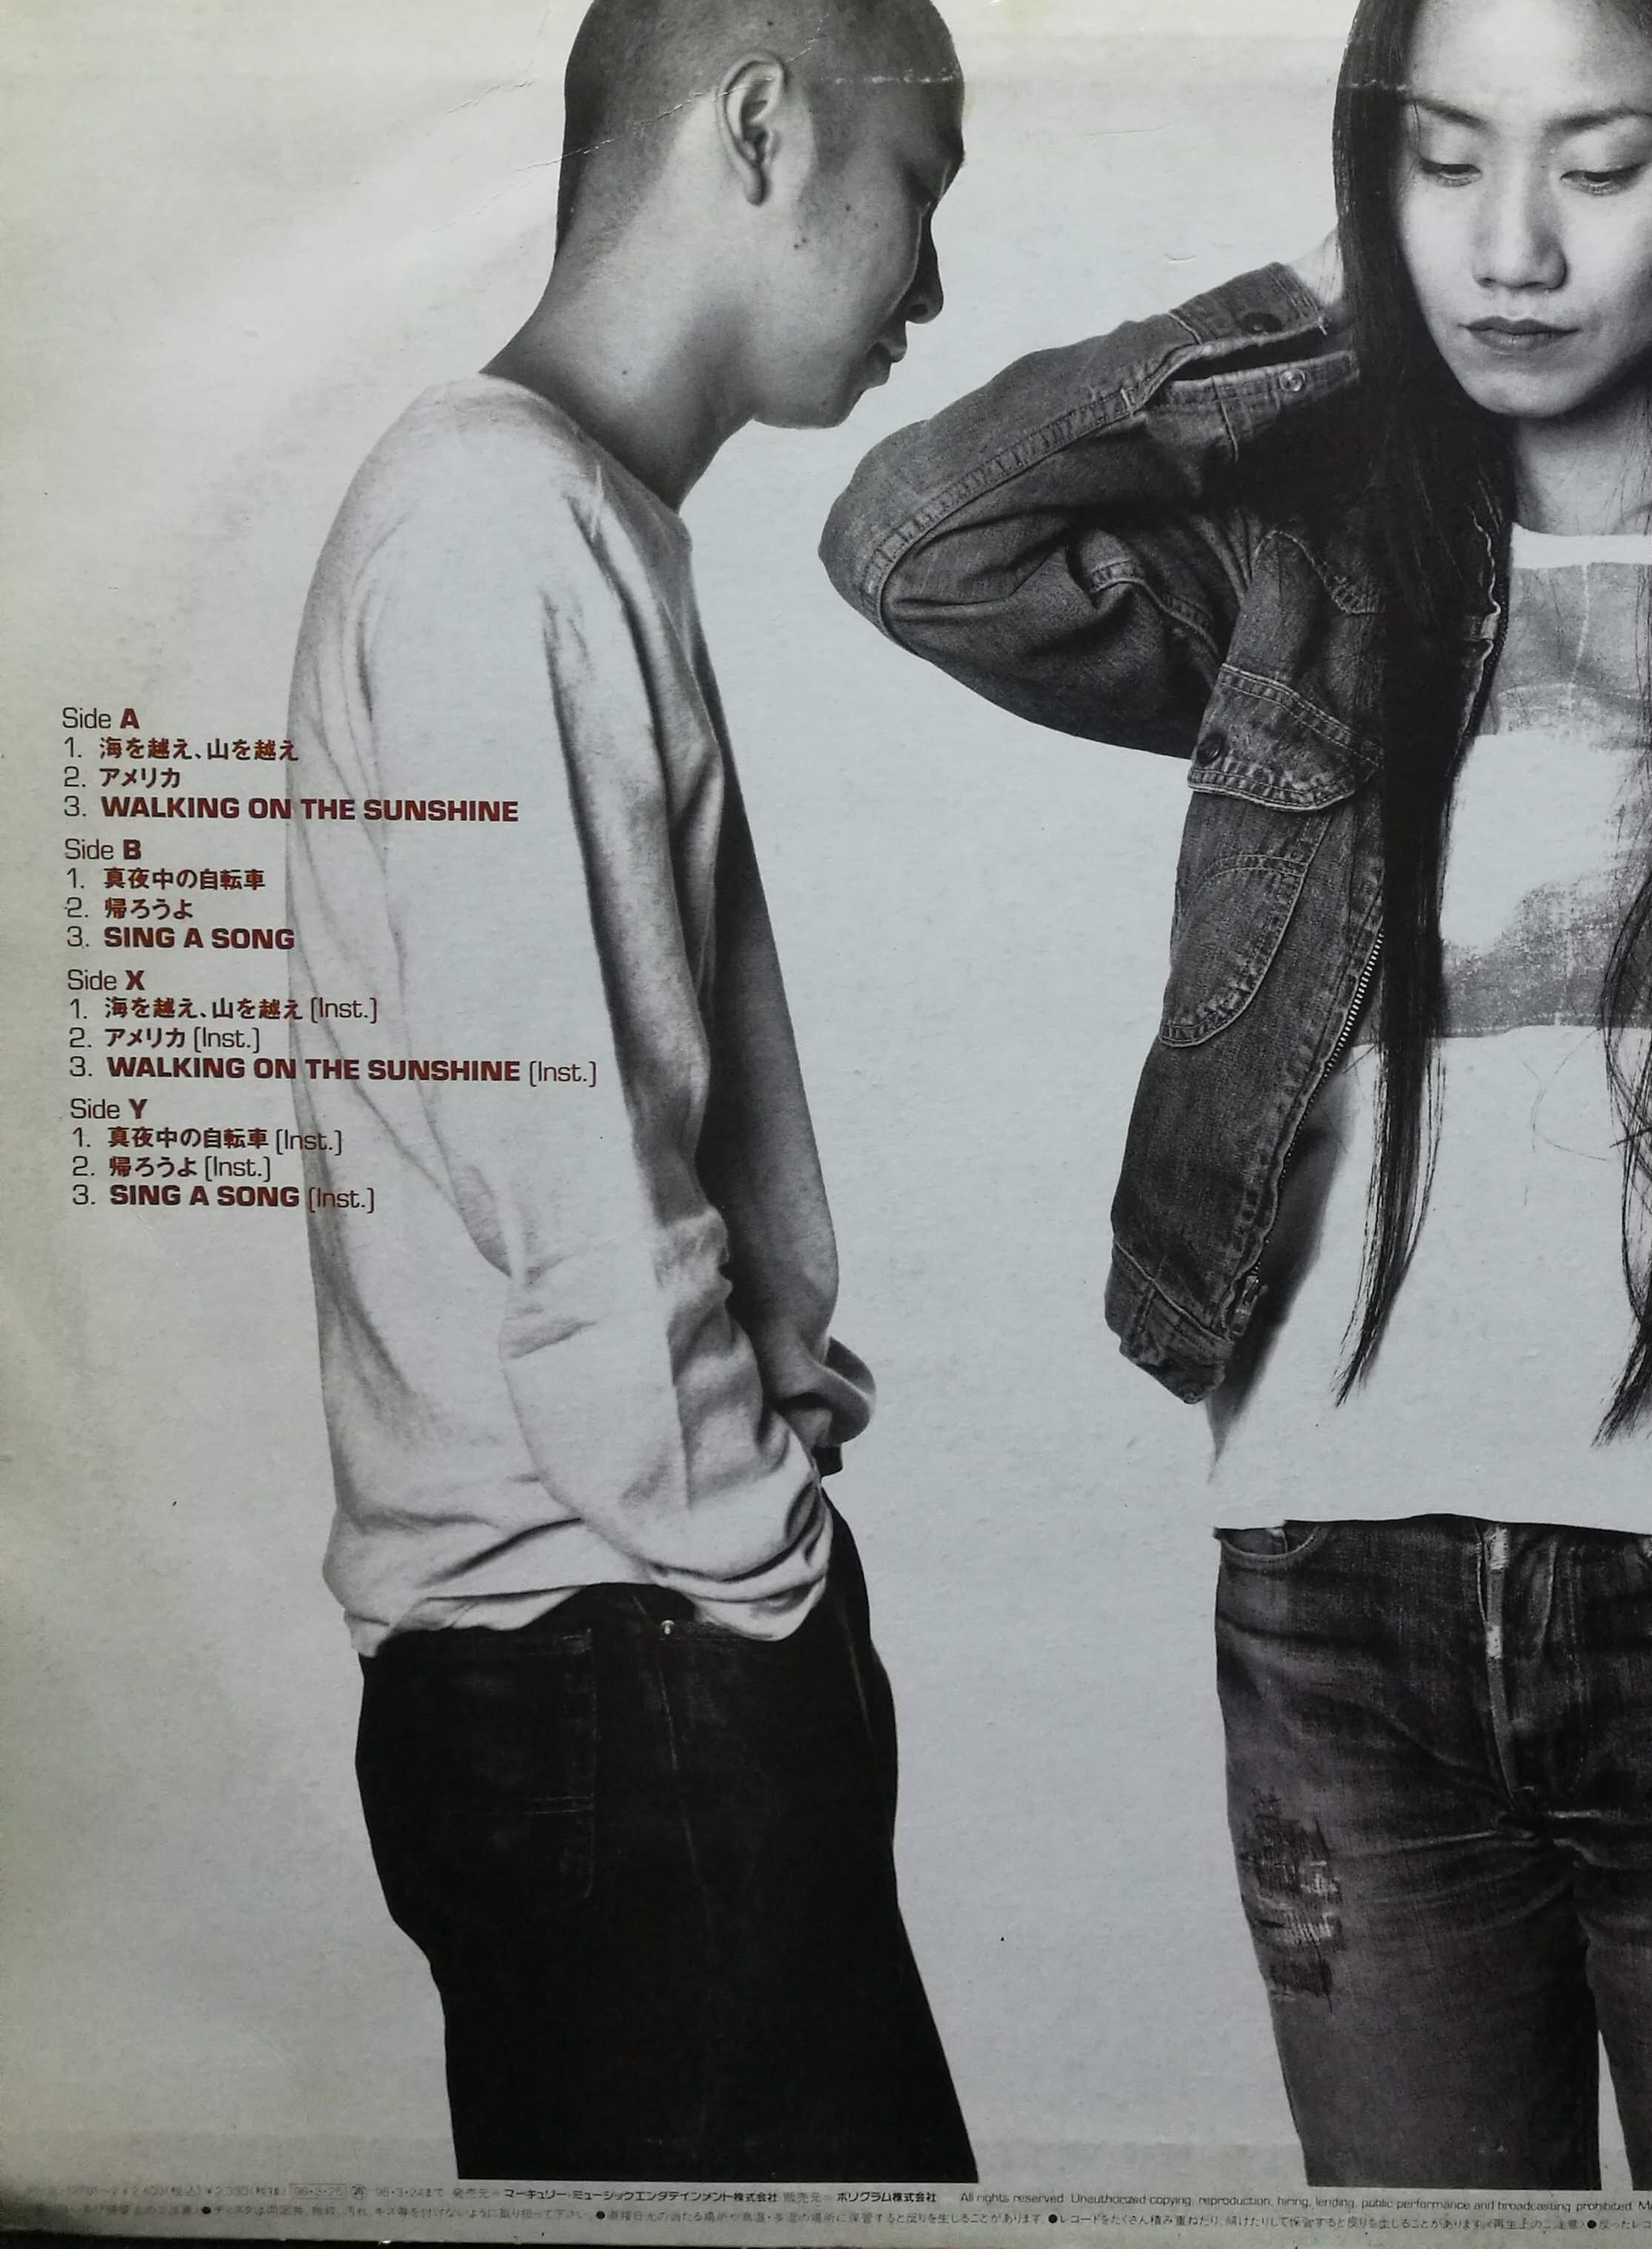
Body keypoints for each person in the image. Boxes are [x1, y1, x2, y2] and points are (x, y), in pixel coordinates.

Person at [820, 0, 1652, 2193]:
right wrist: (1332, 309)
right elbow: (913, 539)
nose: (1510, 246)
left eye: (1598, 166)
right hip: (1336, 1616)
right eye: (1442, 159)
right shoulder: (1308, 541)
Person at [284, 0, 974, 2184]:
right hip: (624, 1650)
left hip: (618, 1642)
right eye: (922, 186)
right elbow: (570, 1190)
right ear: (762, 130)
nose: (934, 279)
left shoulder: (556, 514)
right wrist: (766, 1575)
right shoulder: (495, 527)